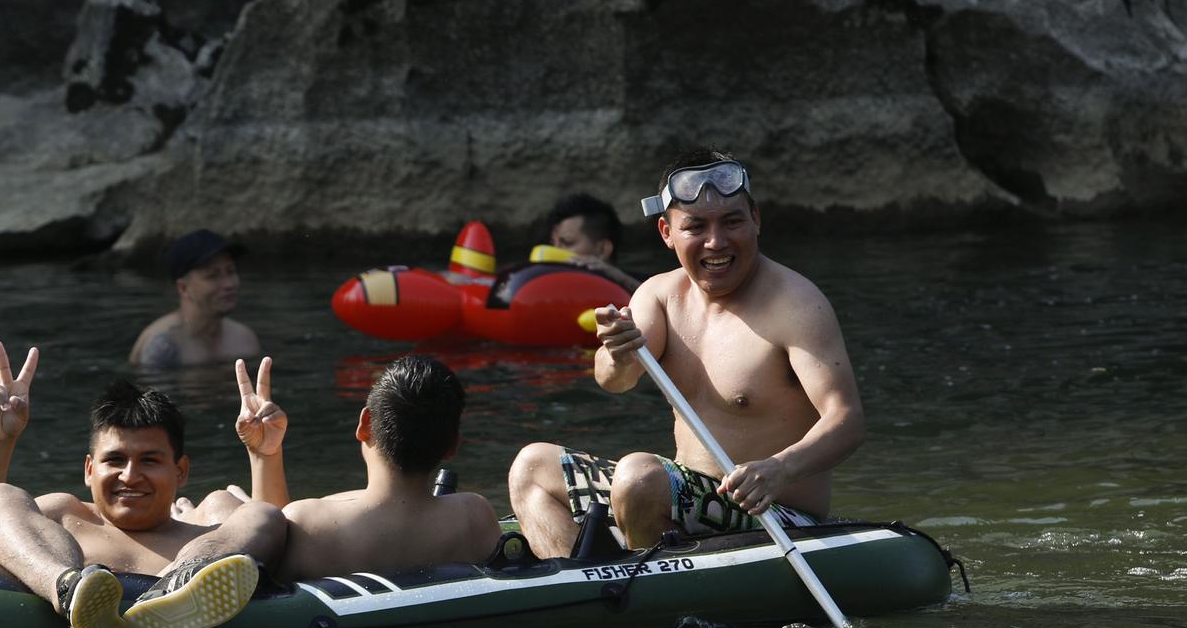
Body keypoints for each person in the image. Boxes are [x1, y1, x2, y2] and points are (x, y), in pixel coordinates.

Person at [506, 150, 865, 559]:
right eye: (696, 226)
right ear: (667, 232)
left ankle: (639, 588)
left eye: (732, 221)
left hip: (775, 515)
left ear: (756, 220)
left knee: (640, 477)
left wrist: (780, 468)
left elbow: (847, 421)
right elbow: (614, 381)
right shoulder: (659, 296)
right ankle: (583, 589)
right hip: (676, 497)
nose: (717, 242)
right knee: (533, 467)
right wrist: (618, 354)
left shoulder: (797, 306)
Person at [0, 341, 286, 628]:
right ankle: (70, 590)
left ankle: (179, 587)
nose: (129, 475)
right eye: (115, 460)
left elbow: (290, 549)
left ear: (180, 471)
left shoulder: (205, 524)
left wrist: (265, 455)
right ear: (89, 469)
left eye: (150, 461)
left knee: (260, 512)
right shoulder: (62, 515)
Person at [191, 353, 504, 583]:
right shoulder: (474, 517)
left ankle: (175, 577)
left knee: (221, 502)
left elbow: (271, 534)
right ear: (453, 446)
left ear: (364, 424)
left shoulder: (310, 524)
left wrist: (263, 456)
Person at [128, 230, 261, 371]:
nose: (229, 284)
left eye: (231, 271)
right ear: (183, 288)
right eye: (213, 276)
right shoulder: (161, 346)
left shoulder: (244, 340)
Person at [542, 191, 641, 294]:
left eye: (567, 243)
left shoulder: (645, 286)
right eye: (553, 244)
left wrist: (624, 280)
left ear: (602, 250)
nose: (553, 251)